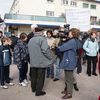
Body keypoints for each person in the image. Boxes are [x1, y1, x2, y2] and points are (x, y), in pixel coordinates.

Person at [28, 25, 52, 96]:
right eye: (43, 32)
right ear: (41, 32)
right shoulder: (42, 39)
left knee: (33, 76)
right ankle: (38, 92)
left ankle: (33, 89)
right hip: (41, 62)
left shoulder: (31, 39)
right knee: (40, 77)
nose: (43, 33)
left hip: (33, 61)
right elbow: (45, 50)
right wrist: (50, 57)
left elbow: (28, 49)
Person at [57, 28, 80, 99]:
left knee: (69, 79)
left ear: (73, 34)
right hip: (69, 61)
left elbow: (62, 48)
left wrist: (58, 47)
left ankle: (69, 93)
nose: (68, 34)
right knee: (67, 77)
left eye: (69, 33)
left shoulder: (72, 41)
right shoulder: (72, 40)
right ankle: (67, 90)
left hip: (69, 61)